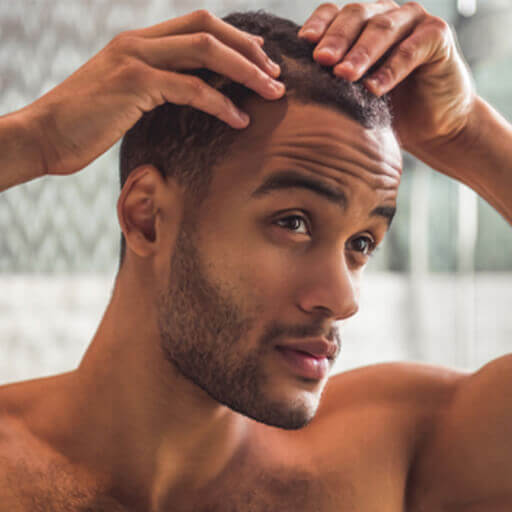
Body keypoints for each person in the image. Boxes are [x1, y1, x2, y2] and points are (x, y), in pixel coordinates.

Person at [0, 0, 511, 510]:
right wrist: (31, 138)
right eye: (293, 223)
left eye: (361, 244)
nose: (342, 298)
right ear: (147, 217)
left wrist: (469, 131)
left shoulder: (392, 453)